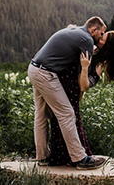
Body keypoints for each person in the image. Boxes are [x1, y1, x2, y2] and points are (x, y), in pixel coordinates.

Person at [28, 16, 107, 170]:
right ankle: (80, 158)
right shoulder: (87, 40)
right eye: (101, 33)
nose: (102, 36)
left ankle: (42, 157)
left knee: (41, 114)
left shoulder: (75, 30)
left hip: (34, 68)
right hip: (46, 73)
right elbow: (83, 71)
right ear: (93, 30)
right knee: (67, 113)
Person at [45, 30, 114, 167]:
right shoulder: (91, 49)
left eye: (102, 39)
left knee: (68, 121)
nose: (98, 39)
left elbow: (84, 86)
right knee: (60, 121)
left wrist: (85, 67)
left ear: (108, 46)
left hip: (72, 90)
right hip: (62, 84)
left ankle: (74, 158)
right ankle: (65, 157)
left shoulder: (100, 63)